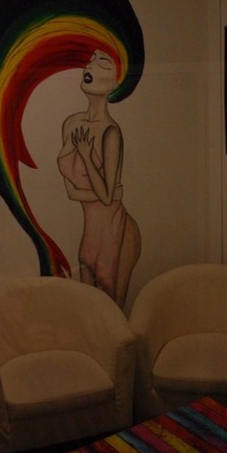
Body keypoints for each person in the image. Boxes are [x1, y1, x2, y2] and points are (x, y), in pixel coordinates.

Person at [57, 48, 141, 308]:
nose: (90, 66)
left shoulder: (111, 133)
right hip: (91, 235)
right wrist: (108, 193)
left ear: (113, 85)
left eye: (102, 63)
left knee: (113, 313)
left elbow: (105, 198)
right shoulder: (71, 124)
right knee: (88, 311)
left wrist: (86, 155)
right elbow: (73, 192)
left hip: (118, 232)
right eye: (91, 60)